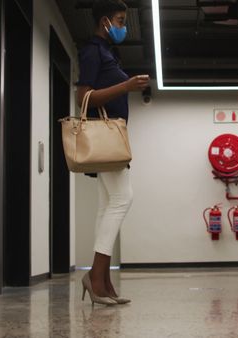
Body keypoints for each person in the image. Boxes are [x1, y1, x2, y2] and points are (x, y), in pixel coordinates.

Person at [75, 0, 149, 306]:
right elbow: (85, 97)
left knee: (108, 204)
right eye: (120, 20)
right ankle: (96, 275)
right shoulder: (93, 51)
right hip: (105, 138)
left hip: (113, 138)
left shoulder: (108, 52)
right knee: (122, 198)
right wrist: (127, 85)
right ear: (105, 21)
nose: (123, 26)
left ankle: (101, 280)